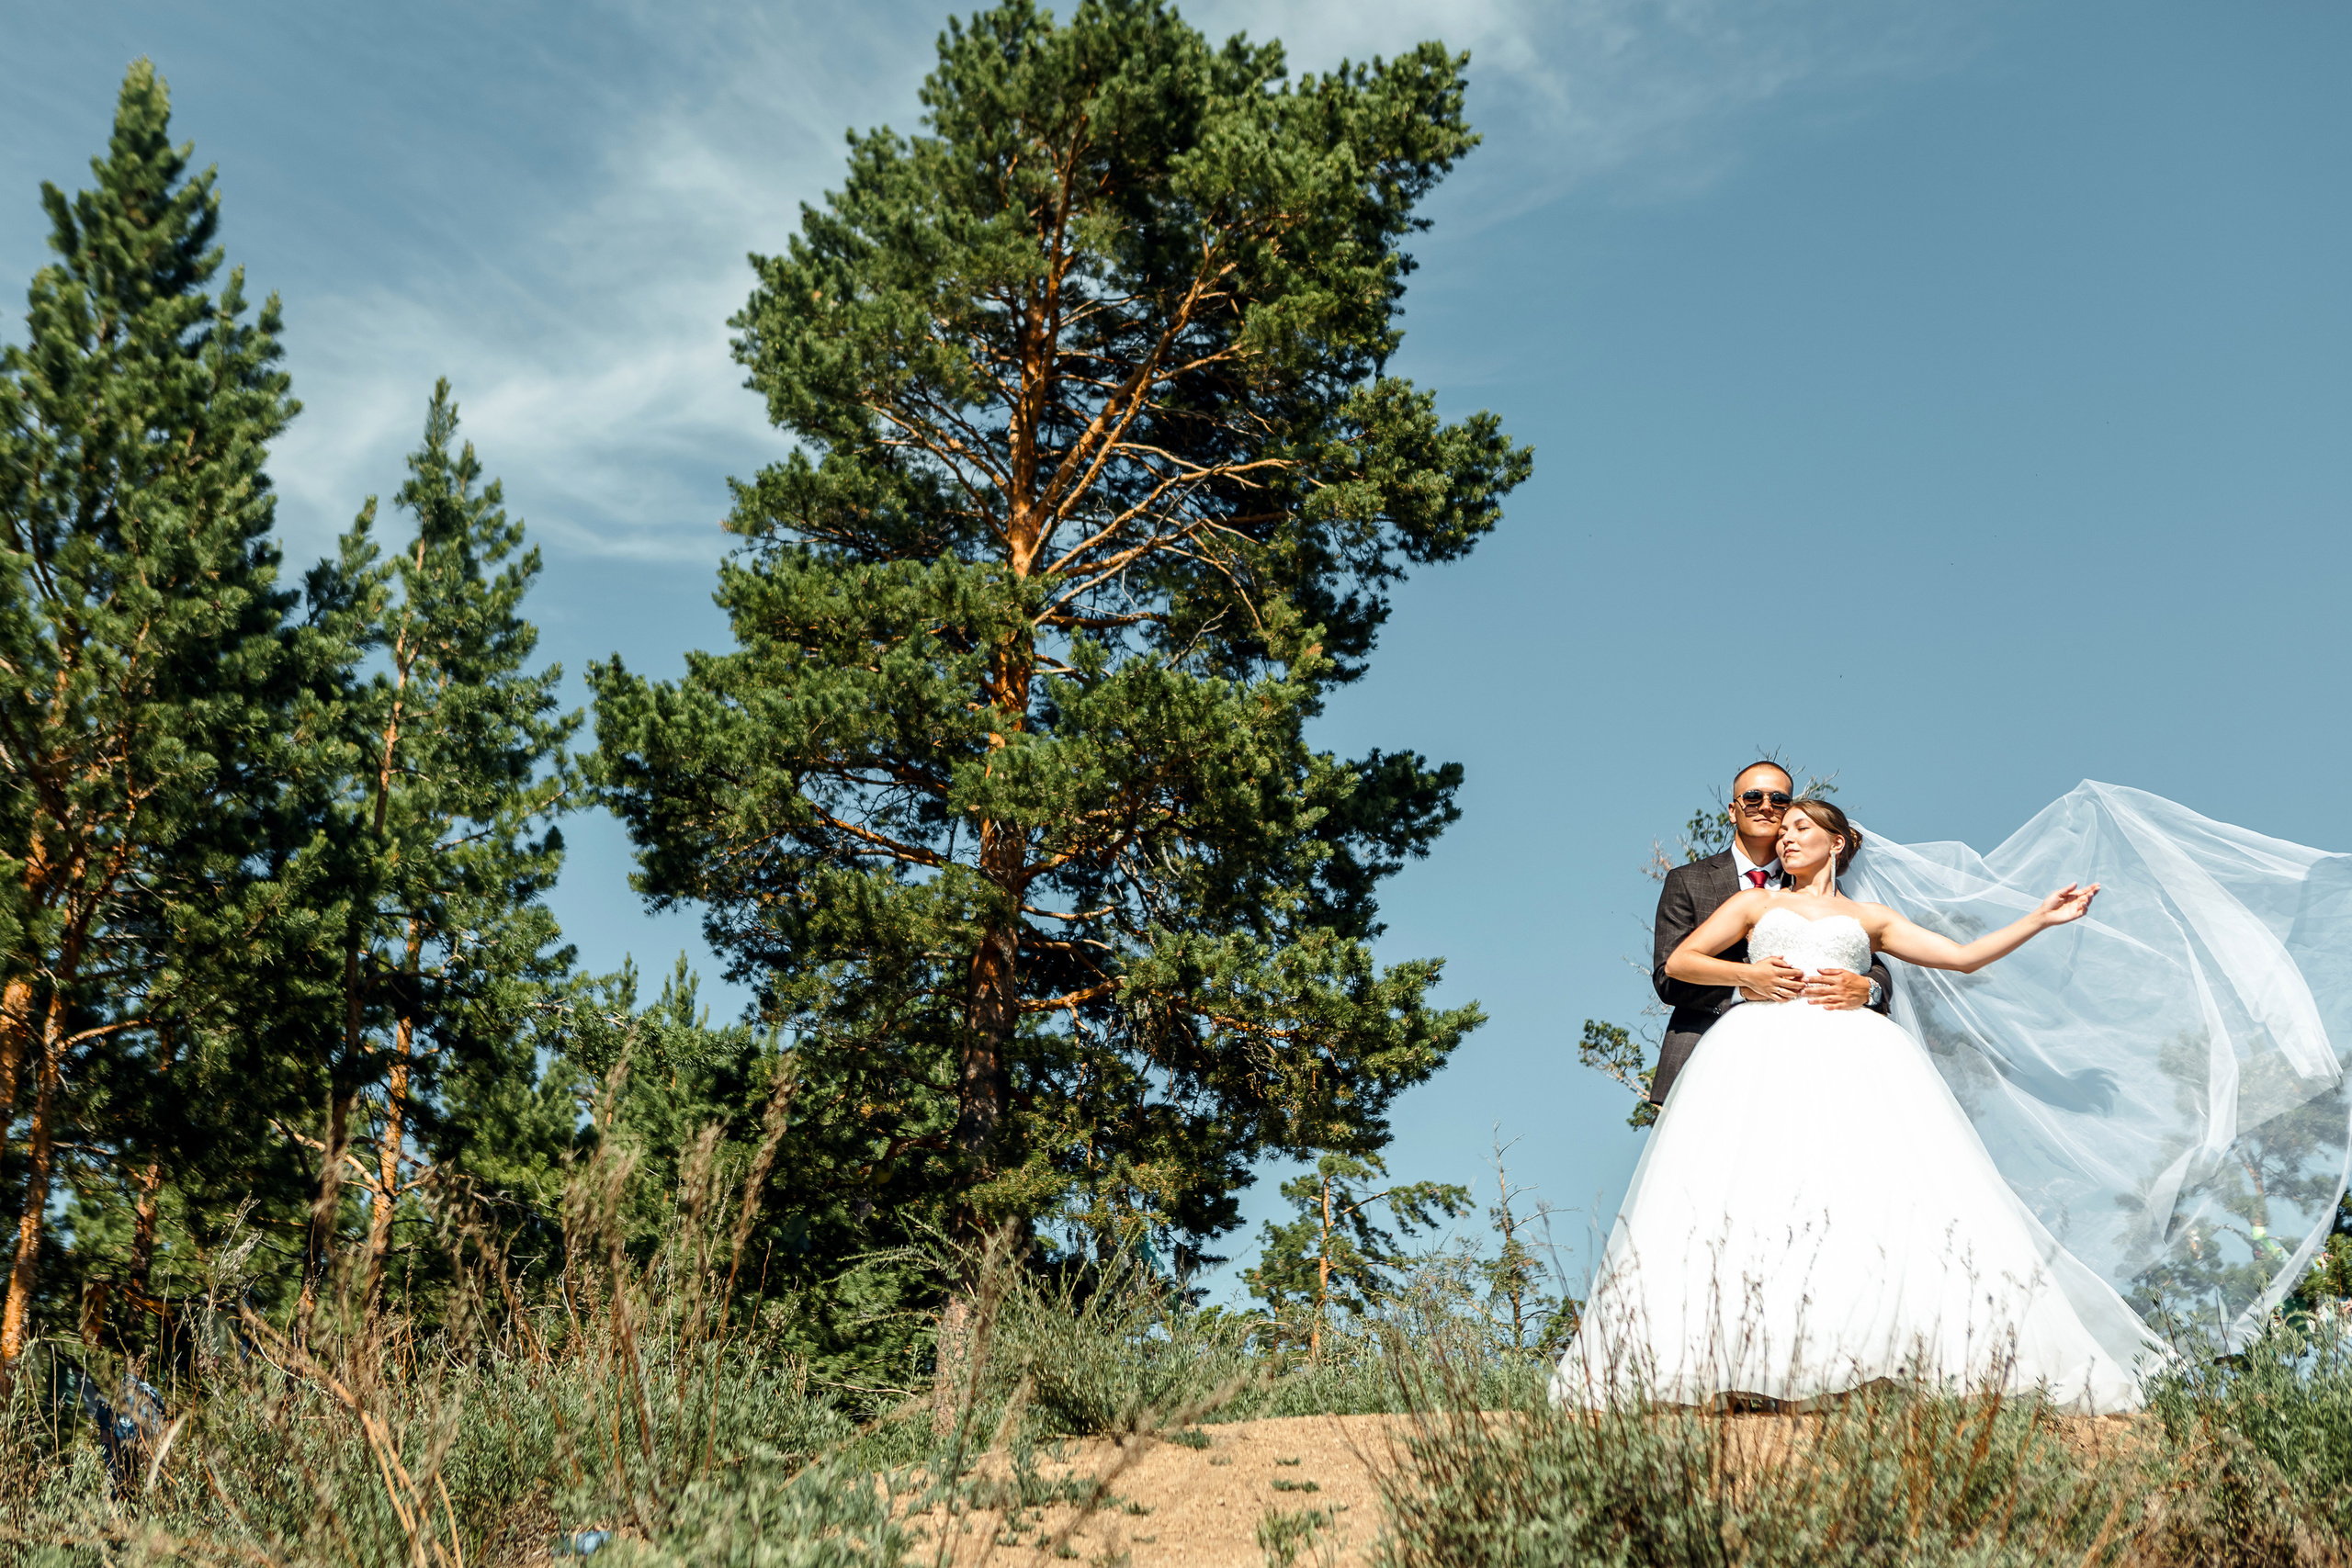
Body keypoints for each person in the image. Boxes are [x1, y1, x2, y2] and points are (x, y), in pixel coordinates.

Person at [1555, 798, 2162, 1413]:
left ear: (1836, 842)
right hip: (1759, 1056)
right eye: (1782, 830)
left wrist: (2039, 918)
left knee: (1859, 1200)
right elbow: (1682, 960)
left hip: (1857, 1062)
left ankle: (1857, 1362)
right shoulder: (1755, 904)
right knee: (1750, 1195)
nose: (1785, 838)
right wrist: (1748, 977)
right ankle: (1728, 1362)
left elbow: (1962, 956)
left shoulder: (1870, 917)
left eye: (1800, 828)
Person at [1646, 761, 1894, 1108]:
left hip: (1811, 1061)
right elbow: (1667, 978)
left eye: (1779, 799)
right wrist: (1743, 986)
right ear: (1733, 810)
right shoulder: (1689, 880)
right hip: (1704, 1058)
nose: (1766, 806)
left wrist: (1869, 989)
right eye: (1753, 796)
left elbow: (1868, 955)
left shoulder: (1815, 876)